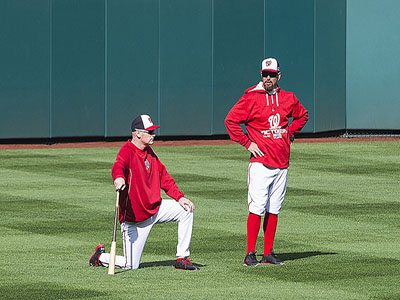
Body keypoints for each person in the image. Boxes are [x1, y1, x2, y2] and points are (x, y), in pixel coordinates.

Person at [225, 58, 309, 266]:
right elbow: (230, 121)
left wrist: (290, 131)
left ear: (279, 75)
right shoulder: (251, 98)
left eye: (272, 74)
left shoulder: (288, 98)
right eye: (265, 74)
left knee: (274, 208)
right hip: (261, 163)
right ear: (261, 75)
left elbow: (302, 115)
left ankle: (268, 252)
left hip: (282, 162)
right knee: (257, 208)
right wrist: (247, 143)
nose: (268, 78)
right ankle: (250, 253)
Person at [89, 114, 199, 271]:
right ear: (138, 133)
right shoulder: (127, 151)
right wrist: (119, 178)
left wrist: (179, 197)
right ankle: (100, 257)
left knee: (186, 210)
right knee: (130, 265)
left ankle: (182, 258)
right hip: (134, 220)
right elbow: (118, 166)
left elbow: (164, 177)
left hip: (155, 209)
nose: (154, 135)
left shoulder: (149, 152)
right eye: (150, 132)